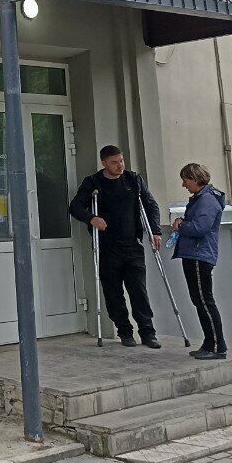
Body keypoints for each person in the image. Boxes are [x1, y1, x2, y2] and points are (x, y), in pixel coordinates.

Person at [69, 145, 164, 348]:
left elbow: (151, 205)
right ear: (104, 163)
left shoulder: (133, 180)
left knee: (138, 290)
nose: (120, 165)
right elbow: (75, 206)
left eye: (121, 160)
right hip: (107, 247)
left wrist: (155, 231)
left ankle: (147, 332)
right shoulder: (93, 182)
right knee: (113, 293)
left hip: (132, 245)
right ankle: (124, 331)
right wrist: (92, 218)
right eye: (114, 162)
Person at [172, 162, 227, 360]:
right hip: (196, 254)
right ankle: (210, 343)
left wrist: (181, 226)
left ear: (195, 179)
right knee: (200, 300)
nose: (184, 185)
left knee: (204, 301)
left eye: (185, 180)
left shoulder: (207, 200)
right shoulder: (203, 198)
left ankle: (217, 346)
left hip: (199, 255)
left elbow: (200, 227)